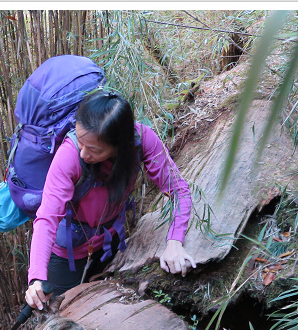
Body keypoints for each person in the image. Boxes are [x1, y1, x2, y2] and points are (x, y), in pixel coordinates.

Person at [25, 89, 196, 310]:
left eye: (94, 149)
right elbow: (47, 217)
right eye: (80, 140)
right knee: (61, 313)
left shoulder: (142, 141)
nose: (84, 154)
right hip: (68, 251)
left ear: (120, 146)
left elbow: (179, 190)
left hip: (111, 240)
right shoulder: (69, 156)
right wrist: (36, 277)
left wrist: (175, 241)